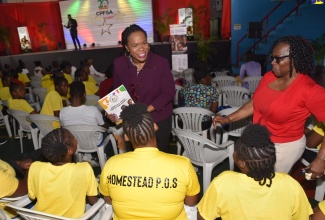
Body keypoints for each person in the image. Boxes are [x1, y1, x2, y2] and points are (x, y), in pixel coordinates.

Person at [213, 35, 325, 175]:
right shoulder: (268, 77)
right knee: (253, 179)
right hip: (261, 140)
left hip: (285, 147)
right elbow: (254, 104)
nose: (273, 62)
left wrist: (321, 159)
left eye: (278, 59)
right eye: (272, 57)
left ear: (294, 59)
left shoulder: (310, 90)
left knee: (269, 184)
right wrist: (228, 119)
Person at [99, 103, 200, 219]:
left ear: (126, 137)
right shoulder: (183, 165)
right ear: (155, 126)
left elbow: (108, 200)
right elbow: (191, 202)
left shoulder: (111, 164)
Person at [198, 124, 313, 220]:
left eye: (236, 152)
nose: (234, 154)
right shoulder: (290, 184)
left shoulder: (223, 182)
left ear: (242, 163)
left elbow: (202, 217)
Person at [109, 24, 175, 153]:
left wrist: (144, 110)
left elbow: (169, 92)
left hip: (159, 118)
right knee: (136, 157)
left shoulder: (160, 62)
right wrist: (112, 110)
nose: (141, 49)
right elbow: (116, 90)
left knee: (160, 155)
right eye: (135, 45)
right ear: (127, 48)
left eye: (144, 43)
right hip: (132, 121)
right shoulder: (119, 63)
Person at [28, 128, 99, 218]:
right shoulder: (84, 169)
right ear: (70, 151)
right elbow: (93, 201)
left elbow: (32, 196)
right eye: (73, 138)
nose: (76, 139)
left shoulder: (35, 167)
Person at [60, 81, 108, 167]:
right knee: (108, 132)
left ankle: (87, 156)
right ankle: (100, 157)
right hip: (95, 142)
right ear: (84, 94)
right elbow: (103, 126)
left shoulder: (63, 112)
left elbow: (64, 130)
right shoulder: (93, 110)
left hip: (76, 142)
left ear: (69, 94)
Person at [180, 61, 219, 130]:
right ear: (203, 79)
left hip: (185, 121)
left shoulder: (186, 88)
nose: (210, 79)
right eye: (209, 77)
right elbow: (213, 110)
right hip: (202, 124)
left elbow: (179, 98)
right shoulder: (212, 90)